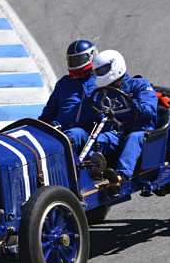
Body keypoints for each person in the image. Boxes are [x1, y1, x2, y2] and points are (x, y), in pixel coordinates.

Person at [91, 49, 158, 182]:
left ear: (115, 65)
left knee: (133, 138)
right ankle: (91, 171)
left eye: (104, 70)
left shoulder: (139, 84)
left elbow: (150, 110)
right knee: (99, 139)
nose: (101, 74)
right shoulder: (106, 92)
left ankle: (121, 176)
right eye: (98, 71)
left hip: (143, 131)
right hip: (119, 132)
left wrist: (132, 106)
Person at [39, 40, 98, 153]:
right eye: (72, 60)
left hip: (86, 134)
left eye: (78, 60)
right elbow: (48, 113)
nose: (75, 64)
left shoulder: (99, 82)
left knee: (73, 134)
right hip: (60, 130)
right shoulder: (64, 83)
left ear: (91, 56)